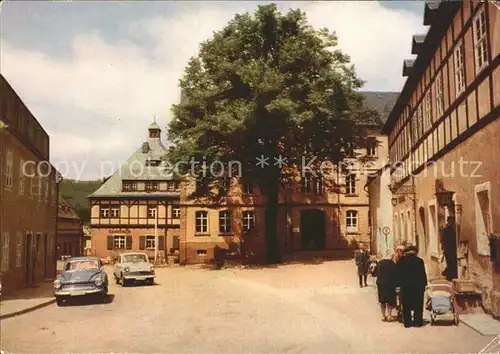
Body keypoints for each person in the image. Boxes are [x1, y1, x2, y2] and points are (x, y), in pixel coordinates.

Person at [396, 245, 428, 328]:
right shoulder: (420, 261)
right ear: (415, 252)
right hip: (418, 287)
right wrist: (424, 285)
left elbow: (398, 274)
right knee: (418, 305)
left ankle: (408, 323)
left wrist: (398, 285)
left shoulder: (401, 260)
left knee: (406, 305)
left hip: (406, 287)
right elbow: (423, 274)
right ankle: (418, 322)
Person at [376, 251, 397, 321]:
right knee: (389, 300)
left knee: (382, 301)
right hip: (390, 284)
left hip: (381, 284)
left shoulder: (379, 263)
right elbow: (395, 274)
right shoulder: (392, 263)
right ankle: (389, 315)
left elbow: (376, 273)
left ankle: (383, 316)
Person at [441, 216, 458, 281]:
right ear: (448, 221)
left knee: (452, 263)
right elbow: (443, 240)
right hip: (448, 249)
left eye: (452, 221)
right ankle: (449, 276)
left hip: (451, 249)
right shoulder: (446, 229)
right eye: (450, 221)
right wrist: (443, 248)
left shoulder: (452, 228)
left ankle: (450, 275)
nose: (451, 222)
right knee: (450, 263)